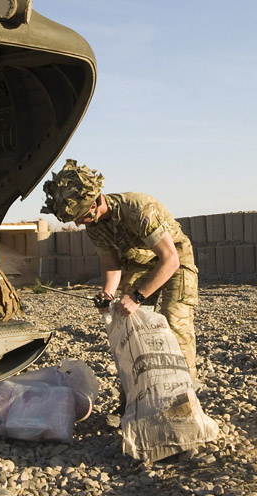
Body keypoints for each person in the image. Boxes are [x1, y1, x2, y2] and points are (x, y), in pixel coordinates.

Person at [41, 159, 199, 381]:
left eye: (79, 217)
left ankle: (185, 394)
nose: (77, 224)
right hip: (138, 263)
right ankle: (135, 397)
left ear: (95, 204)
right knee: (128, 326)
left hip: (175, 260)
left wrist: (138, 296)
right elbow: (111, 265)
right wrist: (107, 295)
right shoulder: (93, 225)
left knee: (175, 321)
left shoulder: (138, 209)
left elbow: (170, 260)